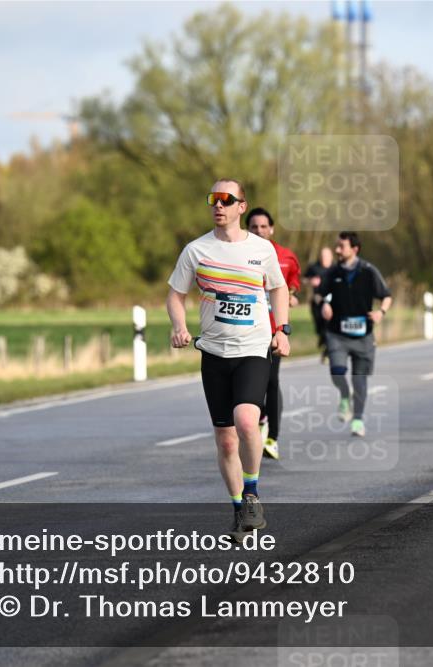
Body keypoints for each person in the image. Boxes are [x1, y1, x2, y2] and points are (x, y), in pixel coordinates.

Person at [167, 179, 290, 539]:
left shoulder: (261, 250)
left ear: (241, 206)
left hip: (253, 348)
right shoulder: (196, 251)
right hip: (214, 353)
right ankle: (240, 511)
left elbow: (278, 287)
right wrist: (179, 325)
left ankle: (251, 493)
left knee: (247, 421)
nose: (218, 205)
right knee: (225, 439)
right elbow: (175, 295)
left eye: (227, 200)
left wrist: (281, 329)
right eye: (213, 199)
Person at [318, 232, 391, 437]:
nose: (337, 250)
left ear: (354, 249)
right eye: (337, 246)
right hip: (337, 333)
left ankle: (358, 419)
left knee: (360, 380)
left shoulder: (368, 271)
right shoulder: (332, 272)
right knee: (337, 372)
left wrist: (380, 312)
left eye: (342, 246)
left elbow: (386, 296)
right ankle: (344, 394)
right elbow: (321, 294)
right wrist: (324, 304)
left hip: (363, 335)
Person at [247, 207, 301, 461]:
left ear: (272, 229)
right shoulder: (239, 254)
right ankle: (260, 419)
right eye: (254, 227)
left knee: (271, 380)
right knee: (251, 384)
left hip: (273, 330)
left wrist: (291, 298)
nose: (259, 231)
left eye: (263, 226)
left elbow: (291, 286)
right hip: (246, 330)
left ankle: (272, 438)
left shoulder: (286, 257)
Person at [303, 248, 334, 361]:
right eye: (322, 256)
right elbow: (304, 279)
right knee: (319, 325)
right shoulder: (314, 267)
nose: (324, 259)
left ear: (331, 257)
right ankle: (322, 340)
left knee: (328, 325)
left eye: (326, 256)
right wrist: (311, 281)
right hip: (316, 301)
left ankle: (327, 350)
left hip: (331, 301)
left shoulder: (335, 268)